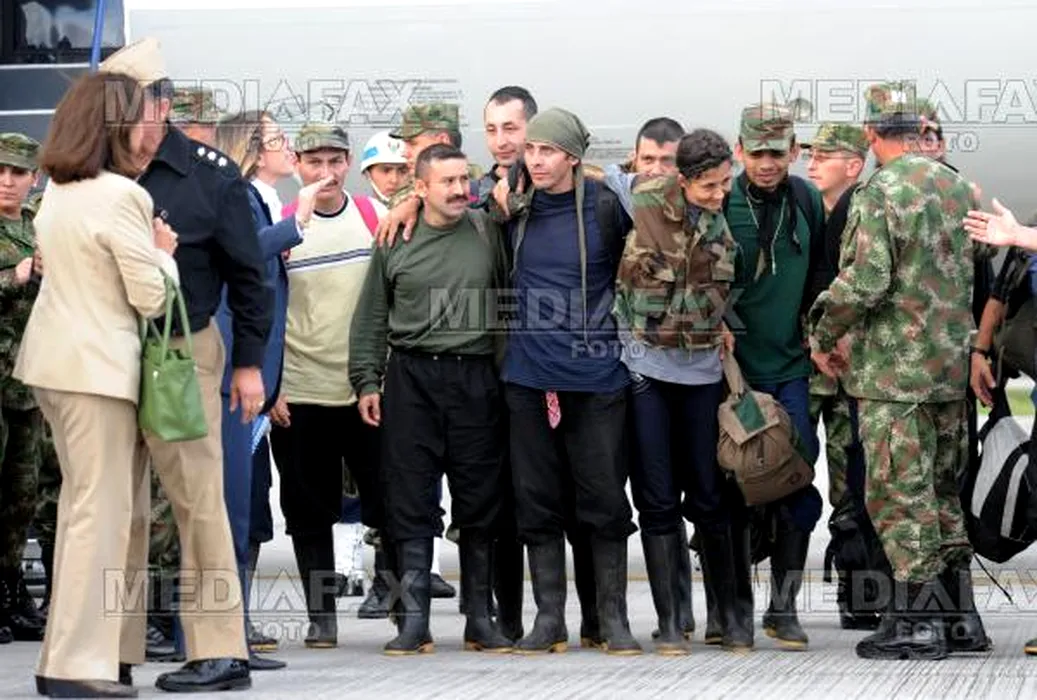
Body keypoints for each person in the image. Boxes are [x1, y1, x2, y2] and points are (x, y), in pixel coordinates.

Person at [99, 36, 270, 692]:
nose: (123, 122)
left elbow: (249, 278)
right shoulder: (95, 170)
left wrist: (248, 365)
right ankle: (110, 652)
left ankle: (220, 651)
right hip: (110, 350)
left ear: (164, 105)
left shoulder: (209, 175)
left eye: (133, 107)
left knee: (198, 501)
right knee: (118, 507)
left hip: (184, 350)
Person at [810, 81, 990, 661]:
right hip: (947, 372)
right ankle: (960, 618)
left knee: (898, 496)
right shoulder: (957, 187)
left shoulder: (880, 191)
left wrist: (822, 330)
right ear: (920, 130)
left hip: (894, 377)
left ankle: (917, 621)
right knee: (941, 494)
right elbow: (977, 263)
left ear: (870, 133)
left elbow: (866, 281)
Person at [14, 70, 179, 698]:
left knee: (92, 514)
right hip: (98, 371)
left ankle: (83, 656)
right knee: (99, 518)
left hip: (59, 365)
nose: (147, 128)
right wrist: (163, 253)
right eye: (139, 117)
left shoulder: (58, 192)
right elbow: (151, 296)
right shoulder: (120, 196)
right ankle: (75, 665)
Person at [349, 142, 513, 655]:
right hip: (411, 379)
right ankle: (414, 621)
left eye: (464, 179)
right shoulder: (394, 236)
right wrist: (366, 380)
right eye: (448, 182)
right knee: (409, 500)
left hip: (476, 378)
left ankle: (479, 619)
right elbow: (372, 312)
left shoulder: (487, 229)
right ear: (420, 188)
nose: (460, 189)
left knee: (479, 499)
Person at [489, 107, 640, 656]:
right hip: (528, 378)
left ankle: (611, 619)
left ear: (573, 157)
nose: (535, 159)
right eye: (530, 149)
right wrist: (411, 200)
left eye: (547, 150)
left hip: (597, 378)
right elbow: (444, 197)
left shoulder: (605, 207)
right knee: (536, 501)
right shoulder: (512, 206)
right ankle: (548, 618)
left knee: (604, 502)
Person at [613, 129, 745, 655]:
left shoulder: (720, 217)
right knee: (657, 498)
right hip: (647, 371)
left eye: (724, 183)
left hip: (702, 374)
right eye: (709, 185)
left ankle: (728, 618)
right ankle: (670, 622)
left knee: (710, 496)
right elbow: (579, 172)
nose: (719, 193)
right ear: (683, 180)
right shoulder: (642, 197)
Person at [267, 122, 384, 648]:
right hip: (301, 391)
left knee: (389, 501)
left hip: (365, 390)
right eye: (314, 162)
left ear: (349, 163)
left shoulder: (373, 216)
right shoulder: (283, 228)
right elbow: (262, 310)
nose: (326, 172)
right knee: (307, 512)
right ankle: (322, 617)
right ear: (297, 165)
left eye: (335, 161)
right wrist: (273, 385)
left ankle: (401, 605)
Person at [721, 102, 826, 651]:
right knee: (736, 485)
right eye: (757, 152)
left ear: (794, 152)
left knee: (796, 481)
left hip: (790, 370)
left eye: (777, 153)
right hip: (737, 377)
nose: (767, 163)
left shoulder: (806, 200)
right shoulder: (722, 200)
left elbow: (824, 273)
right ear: (740, 151)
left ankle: (782, 608)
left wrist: (820, 333)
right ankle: (733, 610)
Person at [213, 110, 311, 671]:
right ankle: (223, 634)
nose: (288, 147)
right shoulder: (242, 199)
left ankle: (234, 629)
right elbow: (245, 257)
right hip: (234, 377)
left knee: (246, 505)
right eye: (278, 139)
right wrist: (298, 219)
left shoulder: (262, 200)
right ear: (251, 149)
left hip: (256, 378)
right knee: (231, 504)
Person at [802, 122, 886, 631]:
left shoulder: (865, 210)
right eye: (810, 154)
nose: (811, 163)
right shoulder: (805, 208)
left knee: (853, 483)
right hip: (808, 365)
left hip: (847, 370)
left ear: (854, 166)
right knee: (785, 473)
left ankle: (859, 593)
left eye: (824, 156)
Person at [0, 132, 47, 645]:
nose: (7, 181)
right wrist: (12, 278)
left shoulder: (39, 226)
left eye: (17, 172)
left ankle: (11, 594)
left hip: (29, 383)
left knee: (21, 496)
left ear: (34, 178)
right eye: (0, 170)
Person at [360, 130, 408, 206]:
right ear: (367, 174)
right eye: (386, 170)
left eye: (403, 171)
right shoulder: (354, 212)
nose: (394, 180)